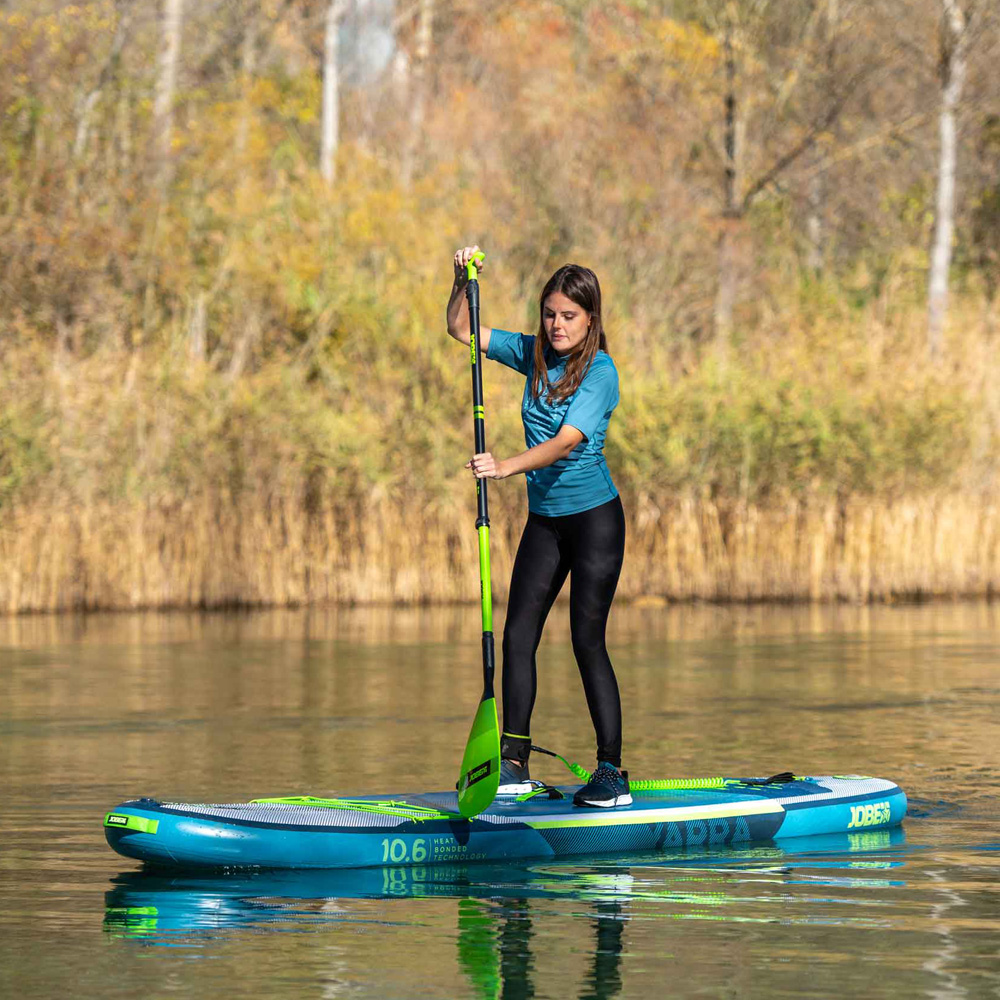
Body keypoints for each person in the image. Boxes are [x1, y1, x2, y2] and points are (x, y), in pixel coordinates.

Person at [446, 245, 631, 808]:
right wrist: (460, 281)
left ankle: (611, 774)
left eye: (568, 316)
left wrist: (504, 466)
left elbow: (565, 443)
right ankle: (514, 763)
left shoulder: (600, 373)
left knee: (585, 640)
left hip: (595, 522)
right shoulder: (531, 353)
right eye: (550, 313)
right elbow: (462, 330)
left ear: (590, 320)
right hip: (545, 523)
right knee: (517, 636)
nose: (556, 325)